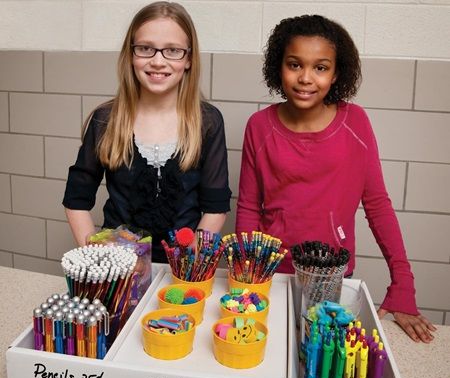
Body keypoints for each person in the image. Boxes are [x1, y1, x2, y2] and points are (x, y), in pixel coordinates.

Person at [236, 14, 436, 343]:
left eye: (320, 67)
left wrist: (403, 286)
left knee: (319, 364)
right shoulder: (259, 126)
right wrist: (248, 274)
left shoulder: (354, 122)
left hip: (331, 276)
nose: (305, 78)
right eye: (295, 64)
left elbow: (378, 205)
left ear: (336, 72)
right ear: (278, 66)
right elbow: (247, 208)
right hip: (270, 275)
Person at [63, 1, 231, 262]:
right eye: (145, 49)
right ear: (131, 55)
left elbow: (216, 207)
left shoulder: (207, 121)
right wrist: (97, 259)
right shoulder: (105, 120)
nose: (158, 61)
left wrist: (188, 260)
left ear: (188, 58)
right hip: (119, 270)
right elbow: (76, 199)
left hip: (180, 272)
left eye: (172, 50)